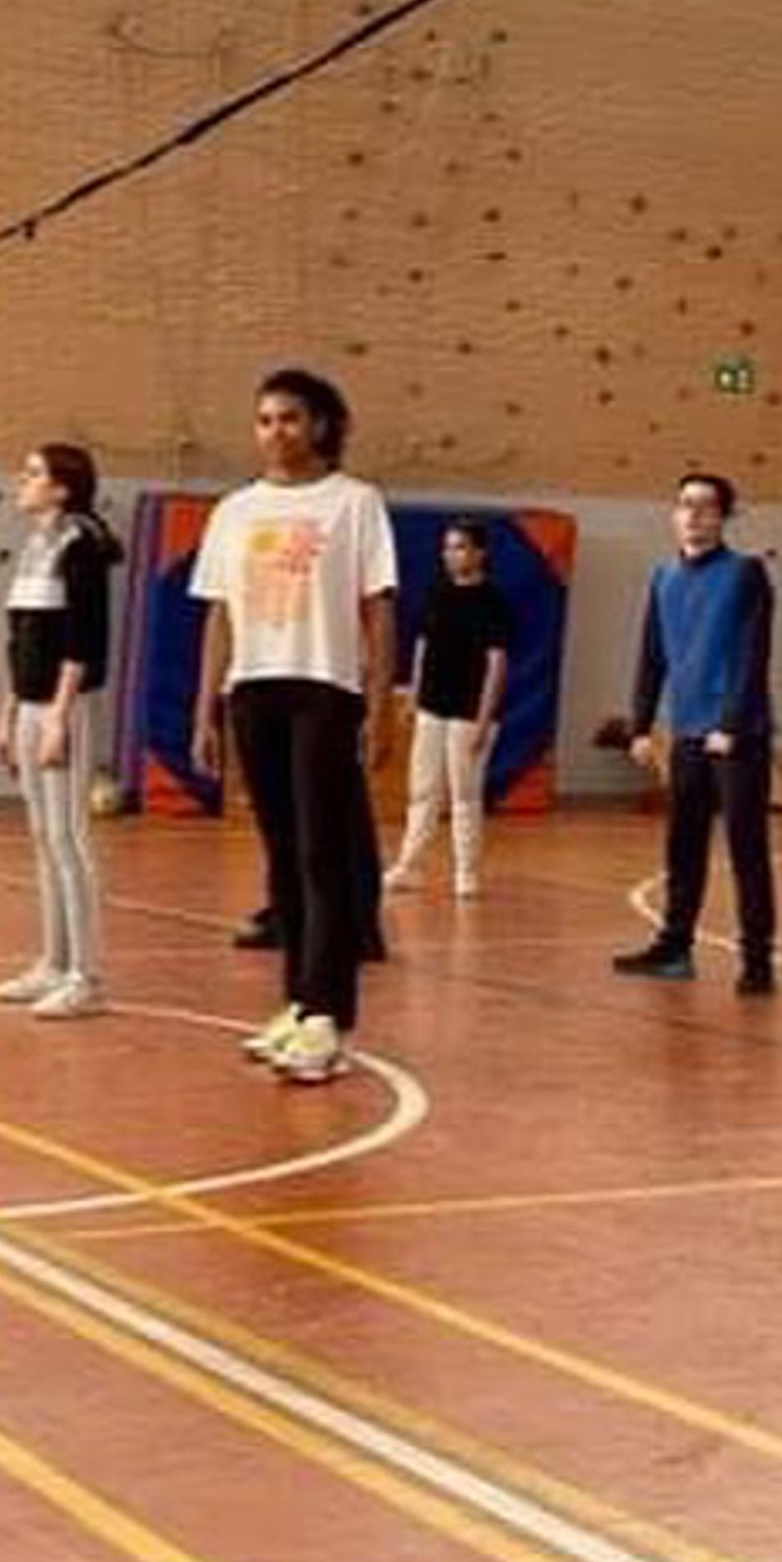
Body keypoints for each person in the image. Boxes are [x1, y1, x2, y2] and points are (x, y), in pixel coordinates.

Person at [190, 369, 398, 1086]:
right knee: (282, 857)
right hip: (254, 689)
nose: (275, 431)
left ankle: (328, 1017)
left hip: (325, 690)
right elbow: (218, 613)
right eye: (264, 420)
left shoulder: (356, 504)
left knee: (323, 854)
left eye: (289, 418)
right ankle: (297, 1001)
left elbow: (378, 608)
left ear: (320, 426)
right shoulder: (234, 511)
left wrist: (378, 701)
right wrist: (207, 708)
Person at [611, 473, 779, 995]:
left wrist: (730, 724)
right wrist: (640, 725)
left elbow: (754, 657)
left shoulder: (746, 573)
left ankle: (757, 961)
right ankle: (674, 947)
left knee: (746, 849)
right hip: (685, 735)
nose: (694, 515)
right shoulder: (663, 578)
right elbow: (652, 656)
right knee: (682, 848)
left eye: (706, 507)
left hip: (737, 737)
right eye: (685, 505)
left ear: (723, 517)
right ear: (674, 513)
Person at [0, 442, 121, 1020]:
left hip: (67, 707)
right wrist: (8, 713)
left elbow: (82, 643)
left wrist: (60, 719)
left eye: (35, 472)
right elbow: (22, 644)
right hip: (30, 705)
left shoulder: (81, 547)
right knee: (44, 839)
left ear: (64, 488)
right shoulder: (34, 548)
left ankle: (86, 977)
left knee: (70, 837)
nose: (23, 478)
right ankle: (52, 961)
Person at [386, 516, 512, 900]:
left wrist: (483, 718)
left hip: (469, 712)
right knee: (423, 790)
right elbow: (424, 645)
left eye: (459, 547)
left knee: (464, 795)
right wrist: (415, 693)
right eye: (447, 547)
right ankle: (409, 865)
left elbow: (497, 663)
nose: (450, 555)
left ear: (479, 552)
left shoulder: (492, 600)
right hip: (432, 707)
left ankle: (466, 873)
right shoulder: (437, 592)